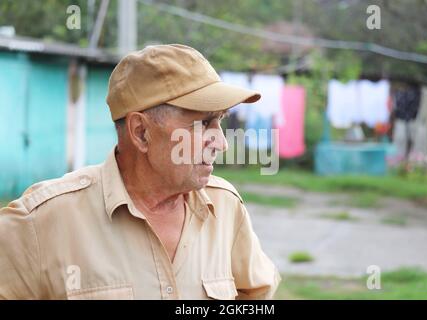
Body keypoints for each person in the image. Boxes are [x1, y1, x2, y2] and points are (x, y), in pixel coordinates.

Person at [0, 44, 281, 300]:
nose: (220, 143)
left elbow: (256, 293)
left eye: (220, 121)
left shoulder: (225, 208)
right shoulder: (41, 221)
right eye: (204, 123)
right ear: (141, 132)